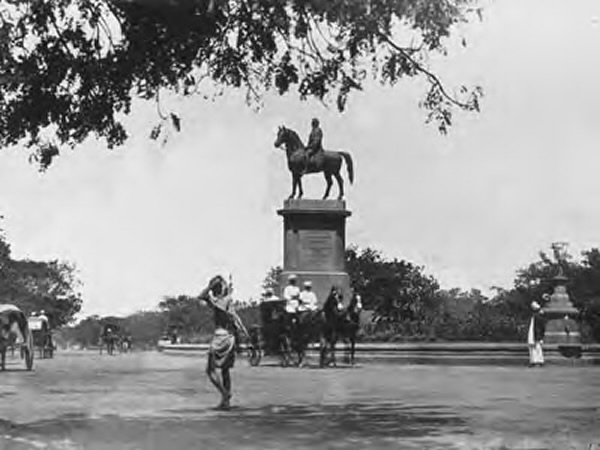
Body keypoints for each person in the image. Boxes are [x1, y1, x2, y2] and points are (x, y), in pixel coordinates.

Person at [199, 275, 248, 410]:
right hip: (230, 337)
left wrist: (210, 286)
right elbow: (237, 321)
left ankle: (225, 394)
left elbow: (201, 296)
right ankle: (225, 403)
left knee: (210, 370)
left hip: (220, 337)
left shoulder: (218, 302)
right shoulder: (228, 301)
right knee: (225, 370)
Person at [527, 300, 546, 367]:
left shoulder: (538, 317)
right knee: (534, 347)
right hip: (533, 333)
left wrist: (540, 336)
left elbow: (541, 327)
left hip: (536, 334)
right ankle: (534, 361)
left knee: (537, 347)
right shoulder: (535, 316)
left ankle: (538, 361)